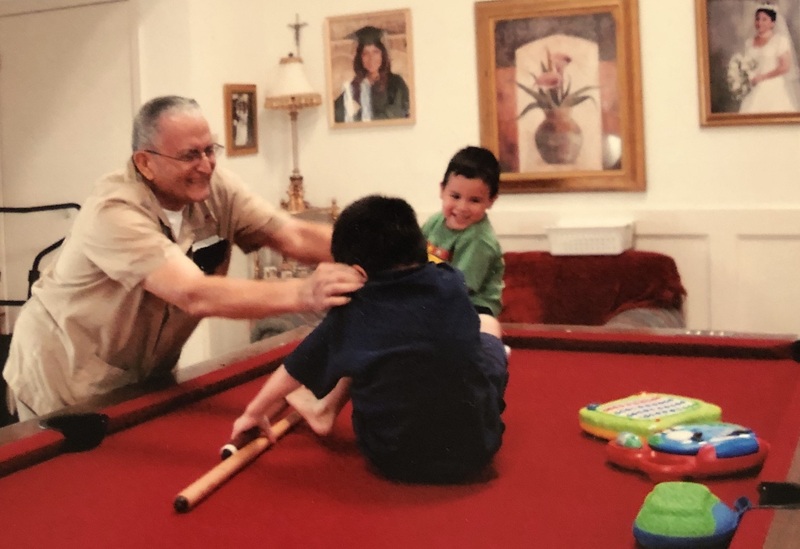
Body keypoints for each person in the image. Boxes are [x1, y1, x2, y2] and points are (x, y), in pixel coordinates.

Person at [3, 95, 365, 420]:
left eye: (211, 150)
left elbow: (291, 234)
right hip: (63, 375)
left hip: (142, 372)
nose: (206, 165)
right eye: (190, 155)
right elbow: (193, 293)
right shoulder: (113, 211)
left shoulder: (215, 186)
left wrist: (384, 252)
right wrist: (305, 293)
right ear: (145, 163)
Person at [231, 195, 508, 484]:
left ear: (359, 272)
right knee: (487, 323)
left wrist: (254, 413)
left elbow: (296, 367)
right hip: (477, 452)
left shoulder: (355, 311)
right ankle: (322, 408)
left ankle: (323, 407)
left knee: (361, 347)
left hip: (391, 457)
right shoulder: (451, 281)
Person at [421, 146, 504, 317]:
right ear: (442, 190)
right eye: (455, 196)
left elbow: (459, 287)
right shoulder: (435, 222)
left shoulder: (480, 240)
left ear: (491, 201)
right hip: (438, 296)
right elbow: (413, 257)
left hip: (475, 305)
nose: (462, 208)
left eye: (474, 200)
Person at [333, 25, 410, 123]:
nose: (371, 58)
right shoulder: (355, 85)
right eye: (365, 53)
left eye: (376, 52)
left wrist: (359, 117)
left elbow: (397, 112)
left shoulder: (396, 83)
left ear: (383, 55)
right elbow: (337, 113)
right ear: (360, 58)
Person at [739, 3, 800, 113]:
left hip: (773, 86)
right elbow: (747, 64)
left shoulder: (780, 41)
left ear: (772, 23)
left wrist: (763, 77)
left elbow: (785, 67)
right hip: (753, 86)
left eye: (764, 19)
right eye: (757, 19)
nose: (759, 23)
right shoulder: (749, 43)